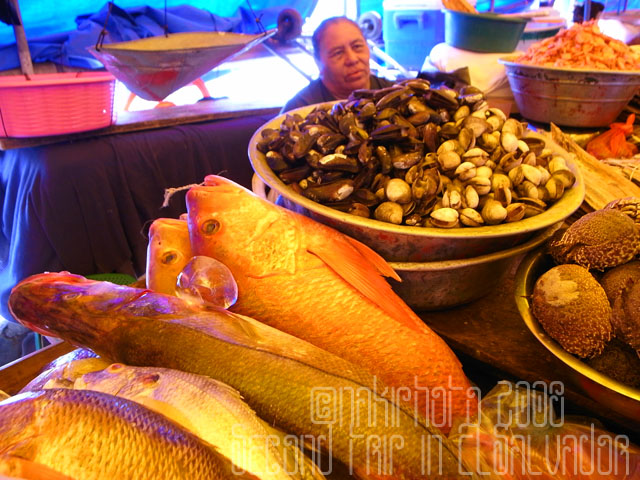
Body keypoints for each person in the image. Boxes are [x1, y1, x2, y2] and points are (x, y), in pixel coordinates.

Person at [280, 16, 393, 113]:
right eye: (338, 53)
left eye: (357, 46)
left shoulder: (394, 93)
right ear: (318, 62)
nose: (352, 59)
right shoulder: (298, 109)